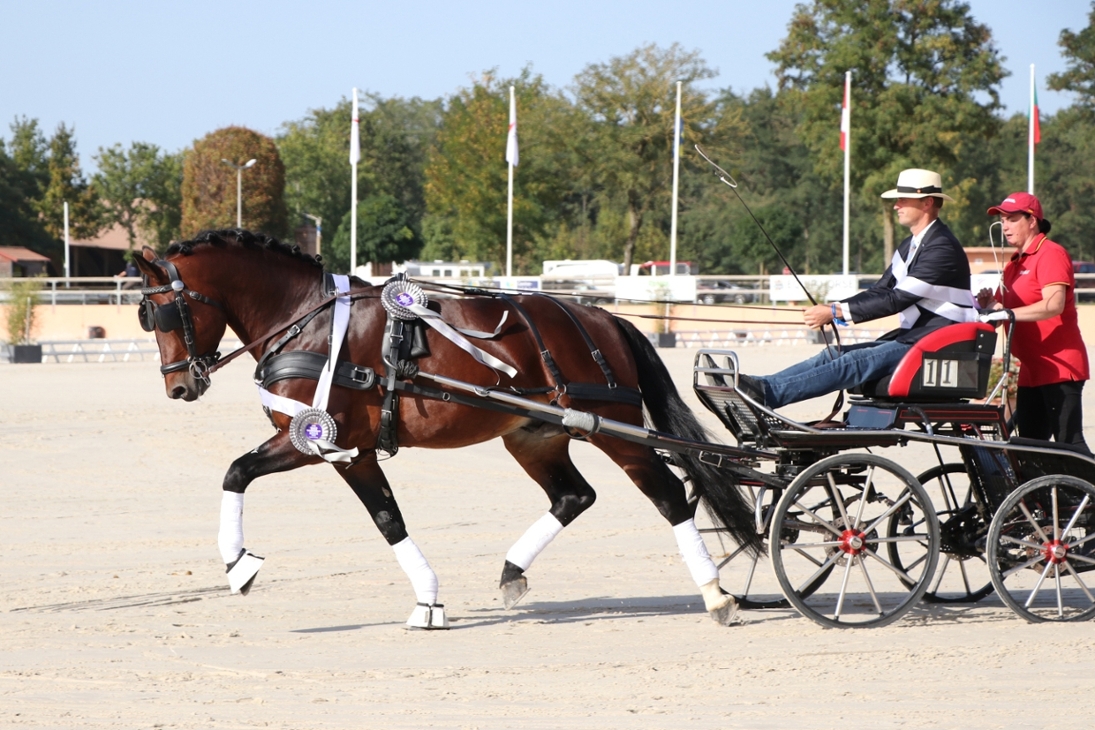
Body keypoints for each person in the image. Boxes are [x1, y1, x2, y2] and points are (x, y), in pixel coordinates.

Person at [739, 168, 977, 408]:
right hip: (916, 339)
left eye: (903, 199)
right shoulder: (911, 245)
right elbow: (880, 290)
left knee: (851, 362)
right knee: (831, 355)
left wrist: (835, 312)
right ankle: (760, 385)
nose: (896, 205)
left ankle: (766, 396)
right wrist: (834, 308)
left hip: (937, 345)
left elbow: (897, 299)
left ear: (926, 203)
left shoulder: (941, 248)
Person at [977, 192, 1089, 449]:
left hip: (1059, 367)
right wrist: (988, 307)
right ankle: (1037, 491)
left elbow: (1053, 304)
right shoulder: (1012, 264)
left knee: (1069, 445)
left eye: (1012, 218)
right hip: (1031, 370)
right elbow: (1000, 310)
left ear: (1032, 221)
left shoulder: (1050, 253)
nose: (1005, 225)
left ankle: (1079, 490)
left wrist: (1008, 313)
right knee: (1029, 447)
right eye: (1002, 219)